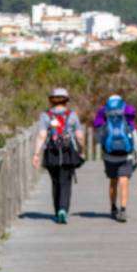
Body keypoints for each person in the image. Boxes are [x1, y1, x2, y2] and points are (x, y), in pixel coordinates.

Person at [32, 88, 85, 224]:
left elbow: (42, 135)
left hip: (52, 153)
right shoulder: (72, 115)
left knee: (55, 182)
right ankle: (63, 210)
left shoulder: (45, 115)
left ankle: (57, 211)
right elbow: (79, 137)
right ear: (66, 100)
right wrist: (81, 150)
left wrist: (36, 154)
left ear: (51, 100)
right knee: (66, 182)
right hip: (68, 152)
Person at [94, 95, 137, 223]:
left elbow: (98, 138)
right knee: (124, 182)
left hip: (109, 156)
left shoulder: (103, 115)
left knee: (113, 182)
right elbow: (135, 139)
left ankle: (113, 208)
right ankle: (123, 209)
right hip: (126, 156)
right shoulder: (127, 116)